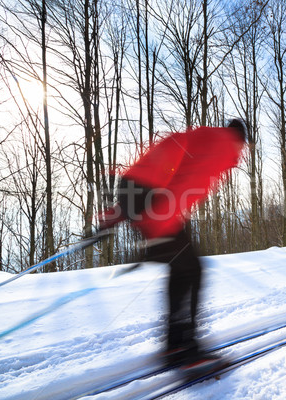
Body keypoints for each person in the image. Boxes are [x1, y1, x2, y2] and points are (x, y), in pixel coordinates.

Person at [98, 118, 249, 370]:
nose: (241, 154)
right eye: (243, 147)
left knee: (182, 269)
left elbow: (164, 160)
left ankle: (175, 345)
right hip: (153, 199)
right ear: (239, 139)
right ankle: (189, 352)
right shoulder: (221, 146)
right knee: (192, 270)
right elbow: (185, 182)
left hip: (139, 190)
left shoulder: (206, 137)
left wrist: (122, 209)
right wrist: (157, 223)